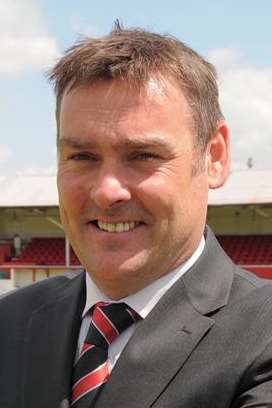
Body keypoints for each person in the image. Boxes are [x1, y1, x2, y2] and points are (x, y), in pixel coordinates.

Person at [1, 22, 272, 408]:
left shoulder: (263, 335)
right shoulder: (9, 321)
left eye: (143, 155)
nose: (107, 190)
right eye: (81, 156)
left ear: (214, 156)